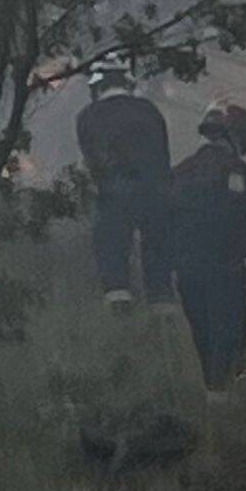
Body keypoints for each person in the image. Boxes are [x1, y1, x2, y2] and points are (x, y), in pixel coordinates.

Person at [170, 101, 246, 393]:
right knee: (230, 342)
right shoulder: (233, 170)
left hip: (187, 271)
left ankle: (213, 400)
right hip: (223, 270)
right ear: (236, 137)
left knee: (205, 338)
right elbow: (236, 219)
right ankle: (227, 406)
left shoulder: (180, 171)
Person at [74, 58, 173, 309]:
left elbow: (91, 159)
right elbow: (163, 155)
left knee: (111, 247)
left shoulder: (88, 116)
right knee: (157, 249)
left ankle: (119, 303)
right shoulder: (149, 111)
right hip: (154, 192)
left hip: (113, 193)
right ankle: (162, 305)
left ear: (97, 86)